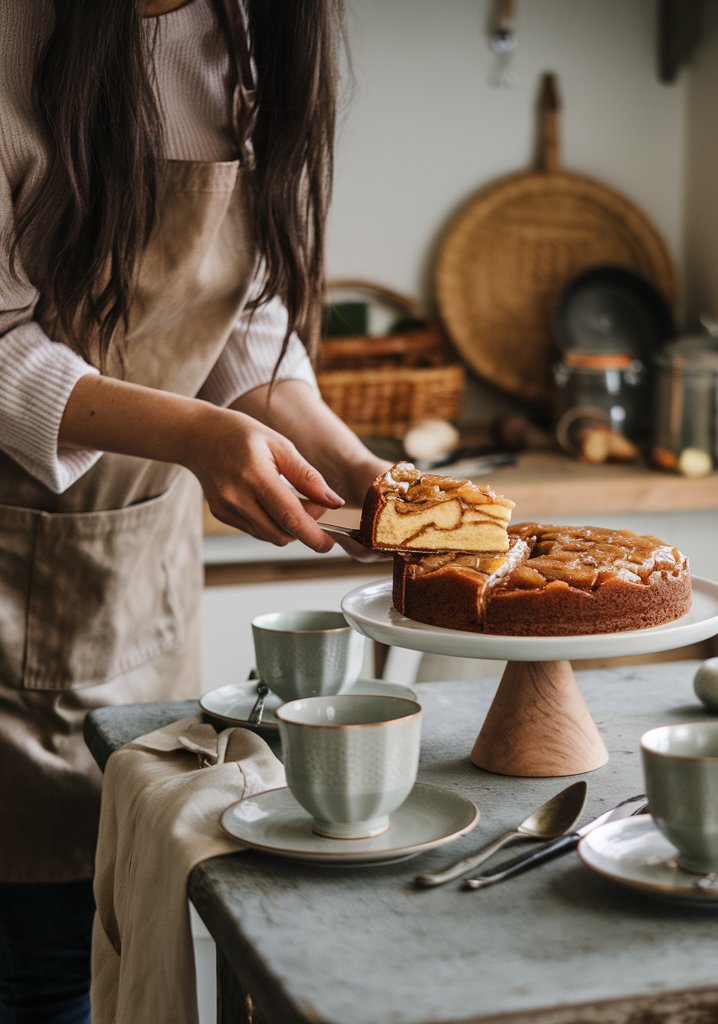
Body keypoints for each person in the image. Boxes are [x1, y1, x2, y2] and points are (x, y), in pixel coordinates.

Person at [0, 1, 389, 1020]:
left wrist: (360, 470)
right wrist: (198, 438)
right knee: (40, 969)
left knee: (123, 929)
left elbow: (245, 318)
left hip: (136, 582)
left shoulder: (253, 36)